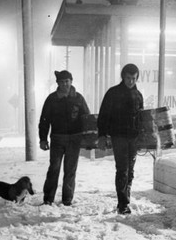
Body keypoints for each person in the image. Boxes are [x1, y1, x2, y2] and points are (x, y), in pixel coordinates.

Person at [97, 63, 144, 215]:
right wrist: (102, 135)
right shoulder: (113, 93)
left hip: (133, 138)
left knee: (130, 170)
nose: (131, 81)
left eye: (134, 78)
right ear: (123, 77)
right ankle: (122, 203)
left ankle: (125, 200)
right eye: (128, 78)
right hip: (119, 137)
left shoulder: (138, 95)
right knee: (123, 169)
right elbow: (103, 115)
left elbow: (141, 117)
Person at [39, 70, 90, 206]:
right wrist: (43, 139)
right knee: (54, 168)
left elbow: (86, 118)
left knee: (70, 170)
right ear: (58, 83)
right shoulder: (52, 99)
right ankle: (48, 198)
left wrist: (88, 138)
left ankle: (67, 199)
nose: (65, 84)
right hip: (57, 138)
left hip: (75, 139)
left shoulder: (78, 98)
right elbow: (44, 120)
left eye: (67, 81)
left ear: (71, 81)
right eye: (62, 82)